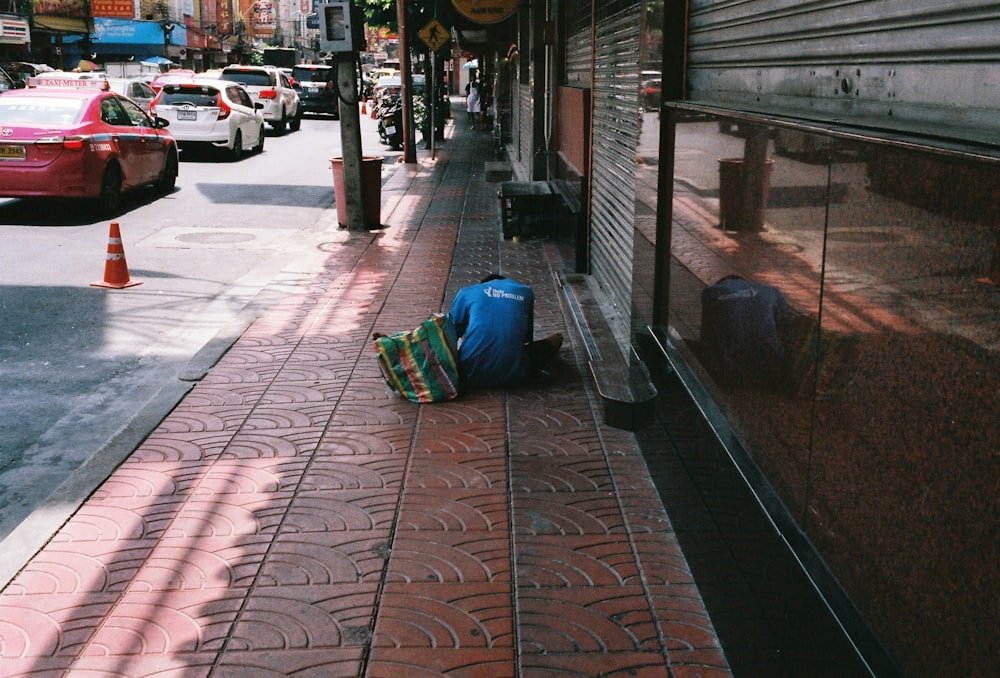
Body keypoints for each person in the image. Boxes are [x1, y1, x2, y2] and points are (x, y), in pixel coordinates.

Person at [448, 274, 562, 388]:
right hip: (516, 374)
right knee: (557, 338)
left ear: (483, 285)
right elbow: (526, 338)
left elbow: (451, 333)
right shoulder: (525, 292)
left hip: (468, 372)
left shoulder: (467, 292)